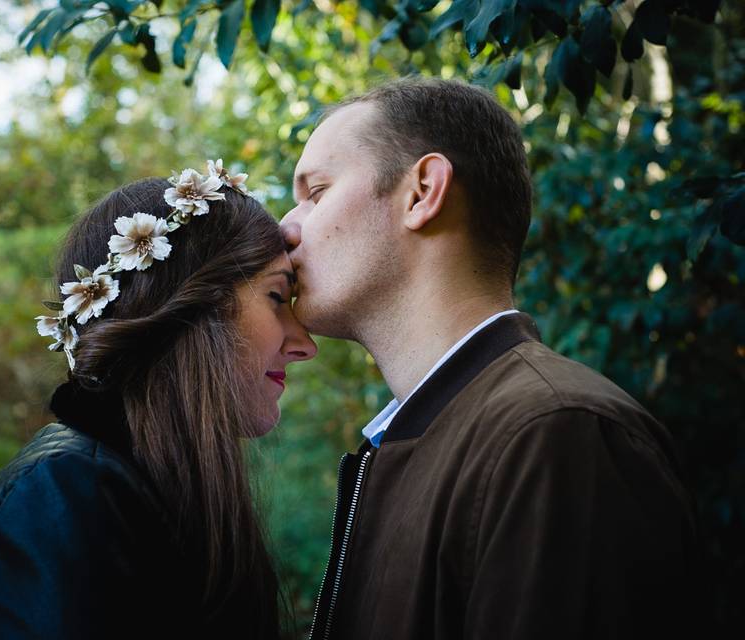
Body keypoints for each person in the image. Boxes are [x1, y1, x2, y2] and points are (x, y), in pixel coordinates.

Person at [280, 78, 697, 640]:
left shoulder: (557, 434)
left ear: (423, 191)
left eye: (316, 192)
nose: (285, 227)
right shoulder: (431, 439)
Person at [0, 163, 316, 639]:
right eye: (278, 297)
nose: (304, 343)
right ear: (188, 308)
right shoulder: (63, 496)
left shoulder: (151, 488)